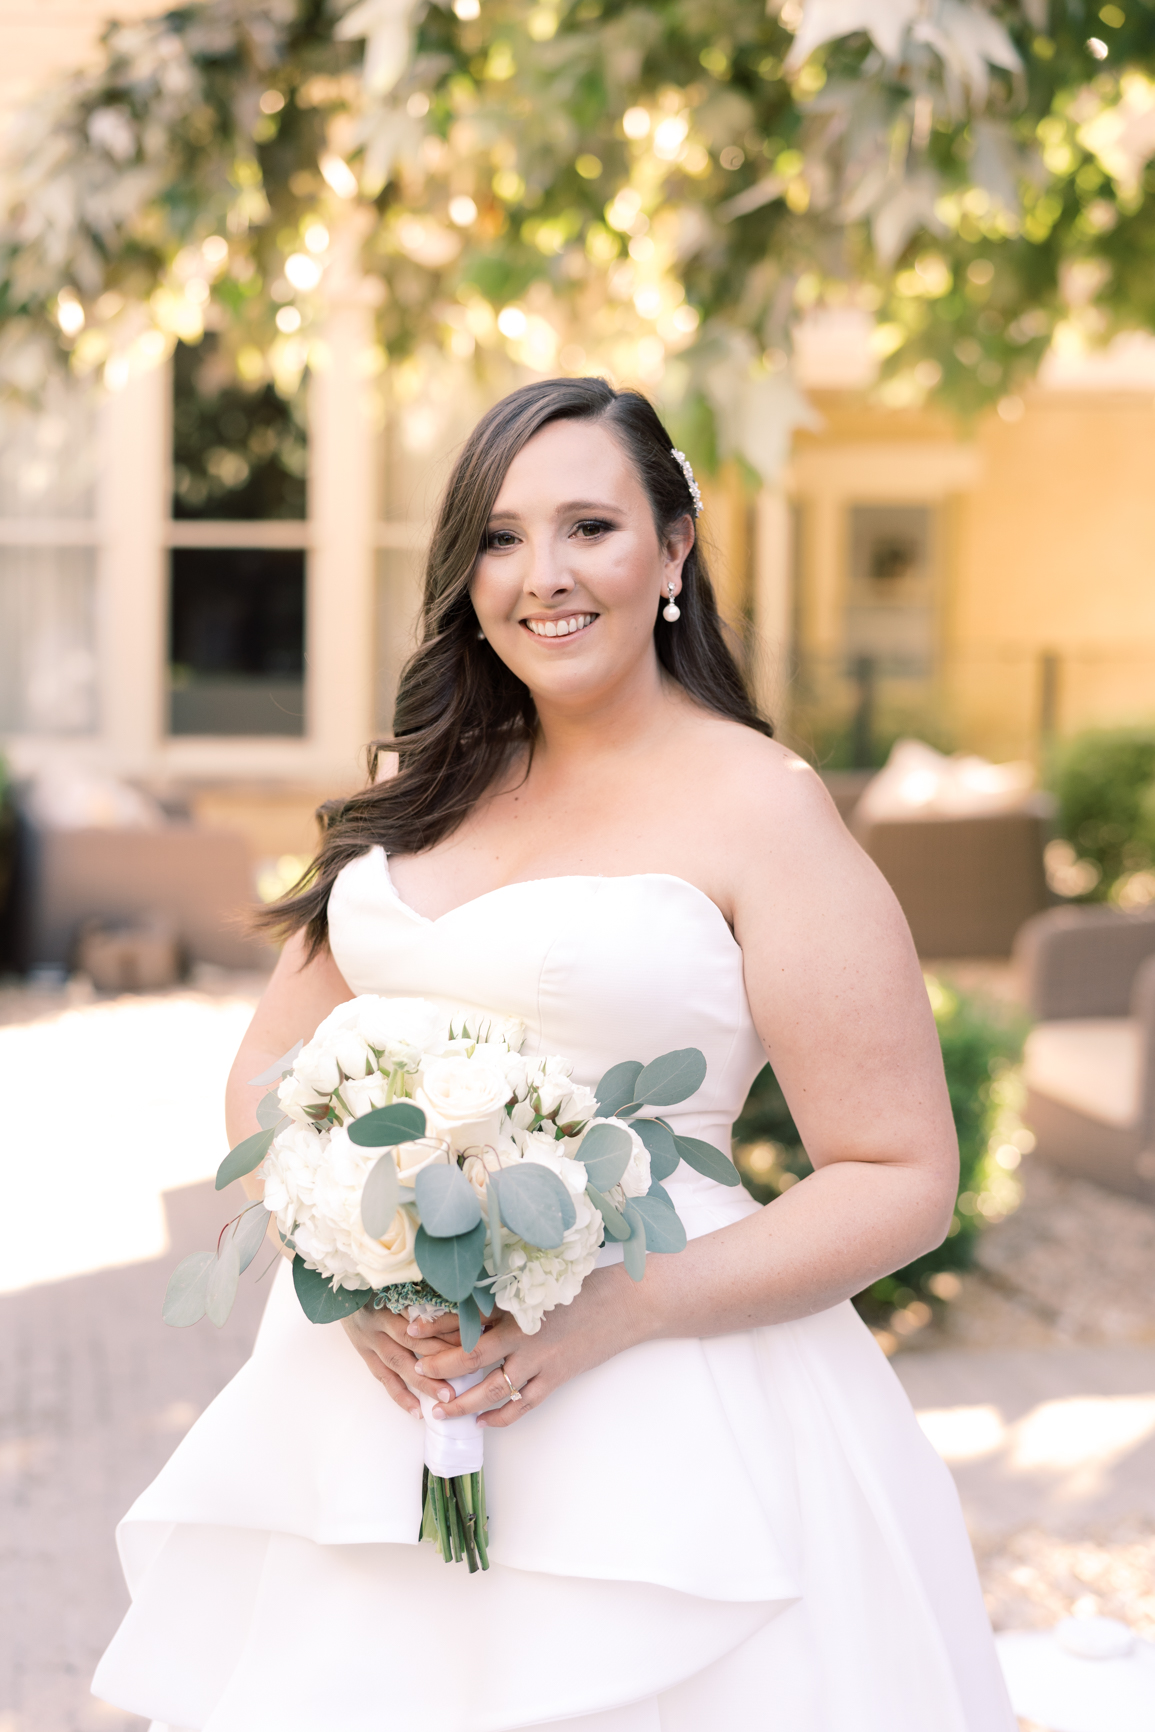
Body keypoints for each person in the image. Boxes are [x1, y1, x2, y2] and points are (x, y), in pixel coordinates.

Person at [93, 377, 1016, 1731]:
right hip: (379, 1397)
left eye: (591, 526)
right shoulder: (418, 795)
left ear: (674, 551)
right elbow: (265, 1078)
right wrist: (341, 1269)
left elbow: (898, 1171)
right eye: (502, 537)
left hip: (672, 1399)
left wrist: (618, 1311)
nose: (545, 576)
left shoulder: (762, 806)